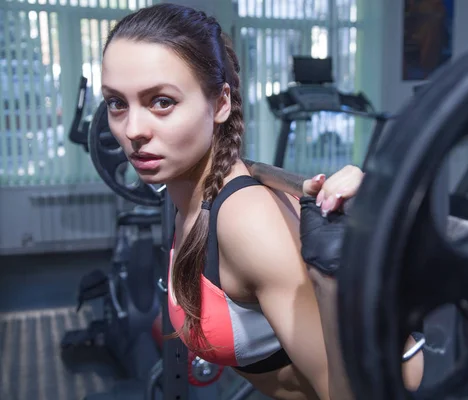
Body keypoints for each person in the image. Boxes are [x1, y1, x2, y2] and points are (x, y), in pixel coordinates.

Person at [100, 4, 423, 399]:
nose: (132, 130)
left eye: (162, 102)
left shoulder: (243, 220)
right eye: (117, 103)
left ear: (220, 104)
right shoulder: (190, 192)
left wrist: (334, 280)